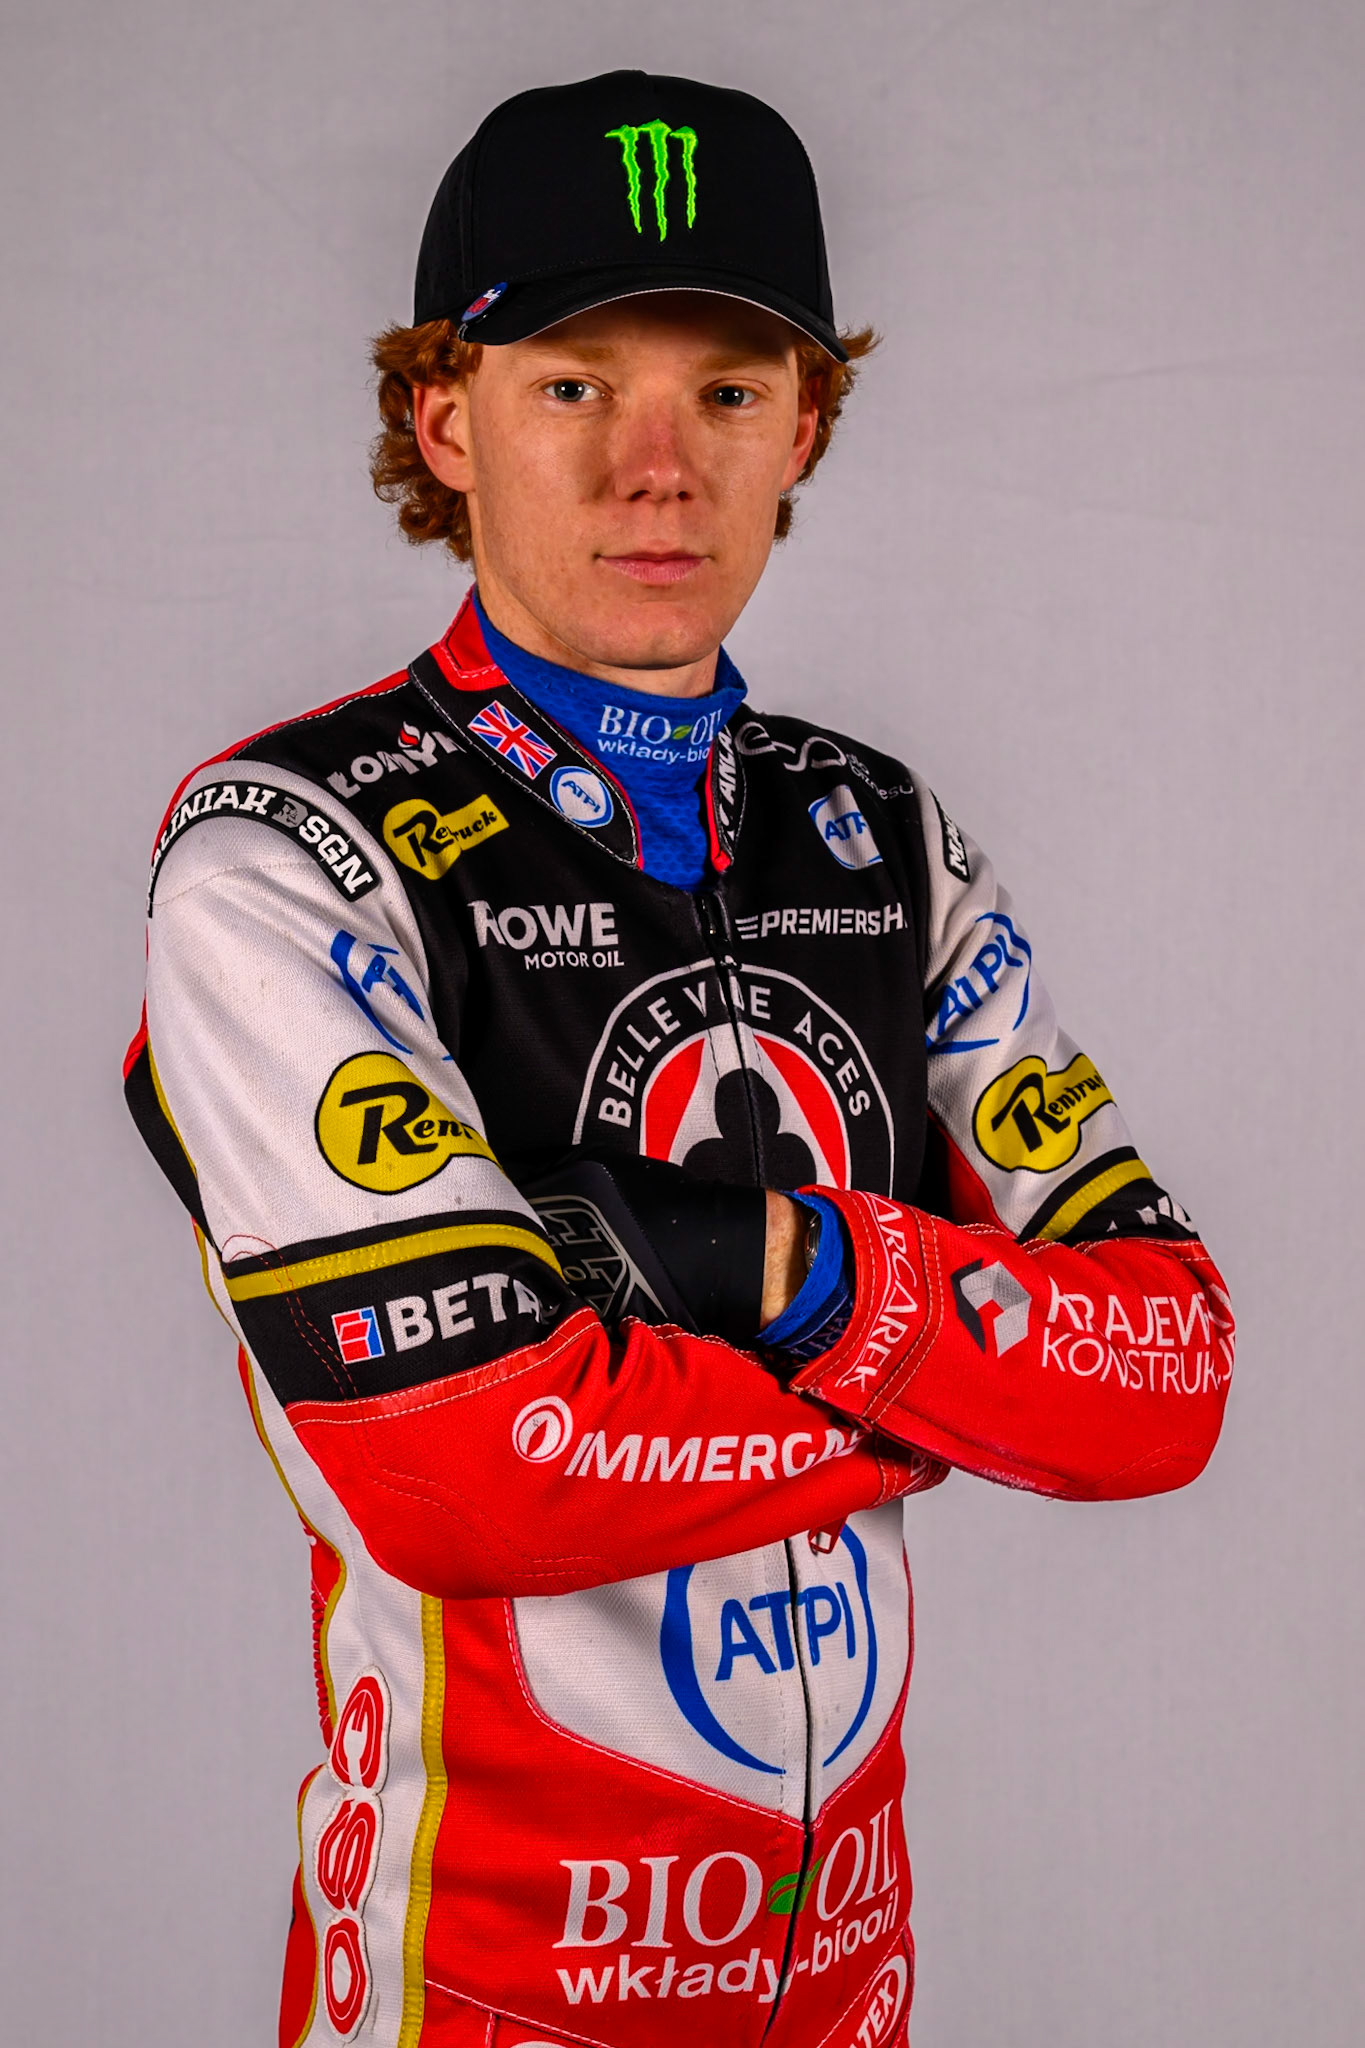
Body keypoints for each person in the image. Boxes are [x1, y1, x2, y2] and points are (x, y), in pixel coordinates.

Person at [125, 68, 1234, 2048]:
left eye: (725, 390)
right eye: (573, 384)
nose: (657, 464)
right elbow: (463, 1462)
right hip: (481, 1993)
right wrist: (949, 1384)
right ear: (438, 416)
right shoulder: (286, 848)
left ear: (803, 424)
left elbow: (1166, 1373)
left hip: (849, 1979)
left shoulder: (880, 835)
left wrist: (784, 1267)